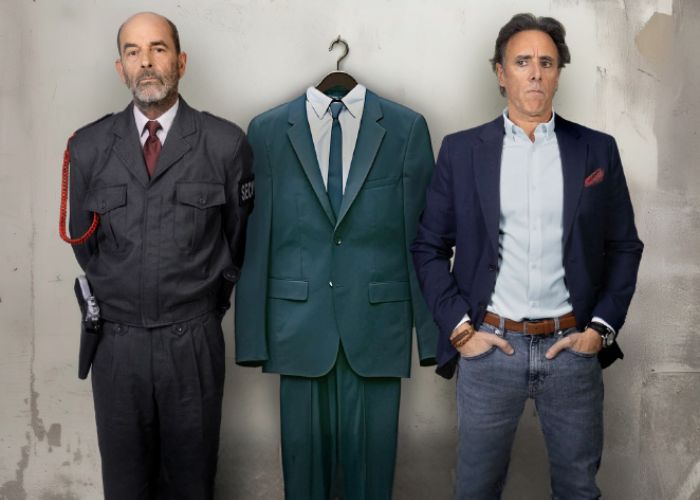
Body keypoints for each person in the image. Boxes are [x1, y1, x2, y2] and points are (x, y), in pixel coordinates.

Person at [411, 13, 643, 499]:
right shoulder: (461, 151)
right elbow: (429, 247)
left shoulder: (597, 150)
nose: (535, 73)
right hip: (490, 350)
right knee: (475, 490)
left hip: (572, 351)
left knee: (578, 490)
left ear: (558, 73)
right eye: (522, 62)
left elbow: (624, 245)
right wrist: (461, 330)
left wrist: (600, 330)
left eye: (546, 62)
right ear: (500, 73)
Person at [66, 12, 253, 499]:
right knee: (125, 485)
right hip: (117, 344)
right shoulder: (88, 147)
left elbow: (237, 240)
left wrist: (203, 309)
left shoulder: (224, 143)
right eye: (133, 52)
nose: (145, 62)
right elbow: (84, 243)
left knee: (191, 483)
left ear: (181, 62)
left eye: (158, 48)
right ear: (120, 68)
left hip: (191, 341)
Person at [235, 80, 438, 499]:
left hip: (377, 325)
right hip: (297, 327)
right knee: (303, 479)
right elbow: (255, 239)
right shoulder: (267, 131)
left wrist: (431, 337)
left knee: (373, 478)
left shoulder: (406, 128)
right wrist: (251, 338)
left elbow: (422, 238)